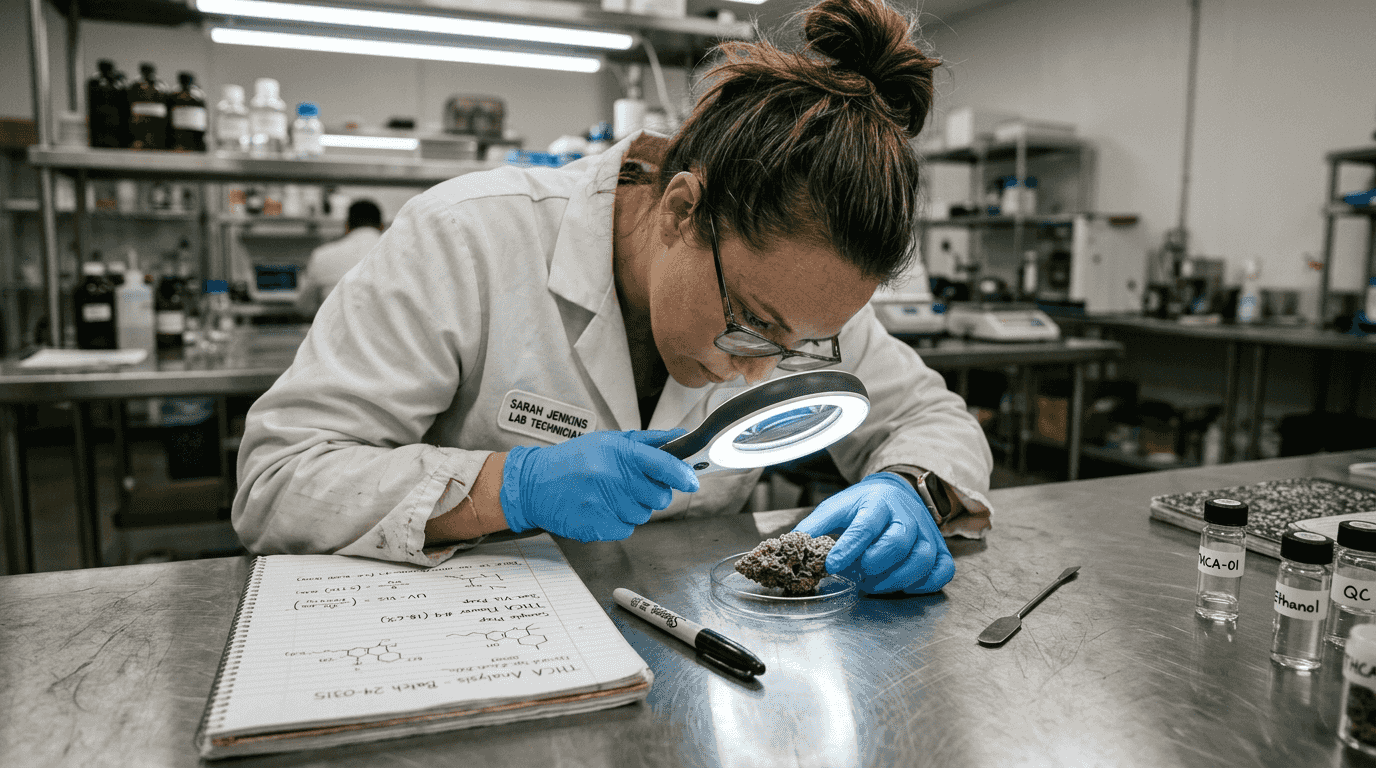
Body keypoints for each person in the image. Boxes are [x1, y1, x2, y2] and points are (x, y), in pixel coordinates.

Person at [234, 0, 993, 596]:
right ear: (683, 211)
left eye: (801, 346)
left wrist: (908, 488)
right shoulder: (469, 236)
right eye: (752, 325)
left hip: (698, 635)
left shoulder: (795, 299)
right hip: (477, 638)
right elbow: (279, 483)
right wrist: (511, 488)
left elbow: (929, 416)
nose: (763, 370)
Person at [293, 199, 384, 318]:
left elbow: (304, 307)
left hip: (335, 329)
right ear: (382, 227)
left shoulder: (322, 255)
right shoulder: (398, 255)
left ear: (347, 226)